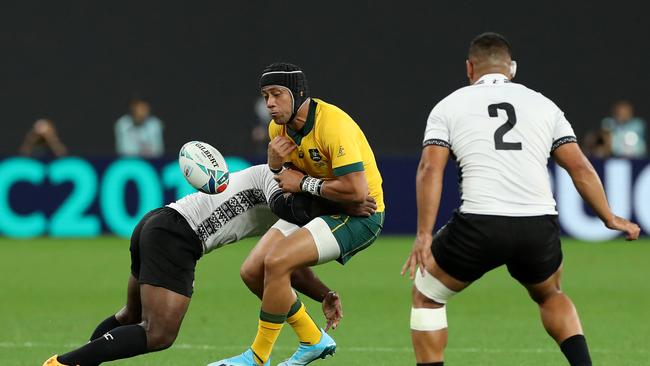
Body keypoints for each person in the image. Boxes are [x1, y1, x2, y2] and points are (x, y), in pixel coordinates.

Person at [401, 32, 640, 366]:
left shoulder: (449, 105)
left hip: (479, 225)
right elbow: (581, 168)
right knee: (550, 294)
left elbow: (430, 169)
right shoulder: (544, 104)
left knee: (427, 297)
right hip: (537, 225)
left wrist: (424, 235)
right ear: (511, 68)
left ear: (470, 68)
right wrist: (609, 217)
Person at [42, 164, 377, 366]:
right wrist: (347, 204)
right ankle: (61, 364)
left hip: (157, 223)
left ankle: (76, 363)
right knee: (158, 334)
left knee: (129, 317)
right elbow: (289, 208)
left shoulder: (294, 194)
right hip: (175, 237)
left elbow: (285, 268)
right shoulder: (274, 177)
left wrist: (325, 294)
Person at [211, 63, 385, 366]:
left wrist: (304, 183)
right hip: (329, 206)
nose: (269, 104)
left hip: (361, 216)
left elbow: (358, 193)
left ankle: (256, 358)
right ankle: (313, 339)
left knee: (277, 262)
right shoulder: (277, 130)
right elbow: (288, 187)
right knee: (252, 271)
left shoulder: (332, 124)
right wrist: (275, 166)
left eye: (277, 94)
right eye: (265, 96)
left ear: (299, 94)